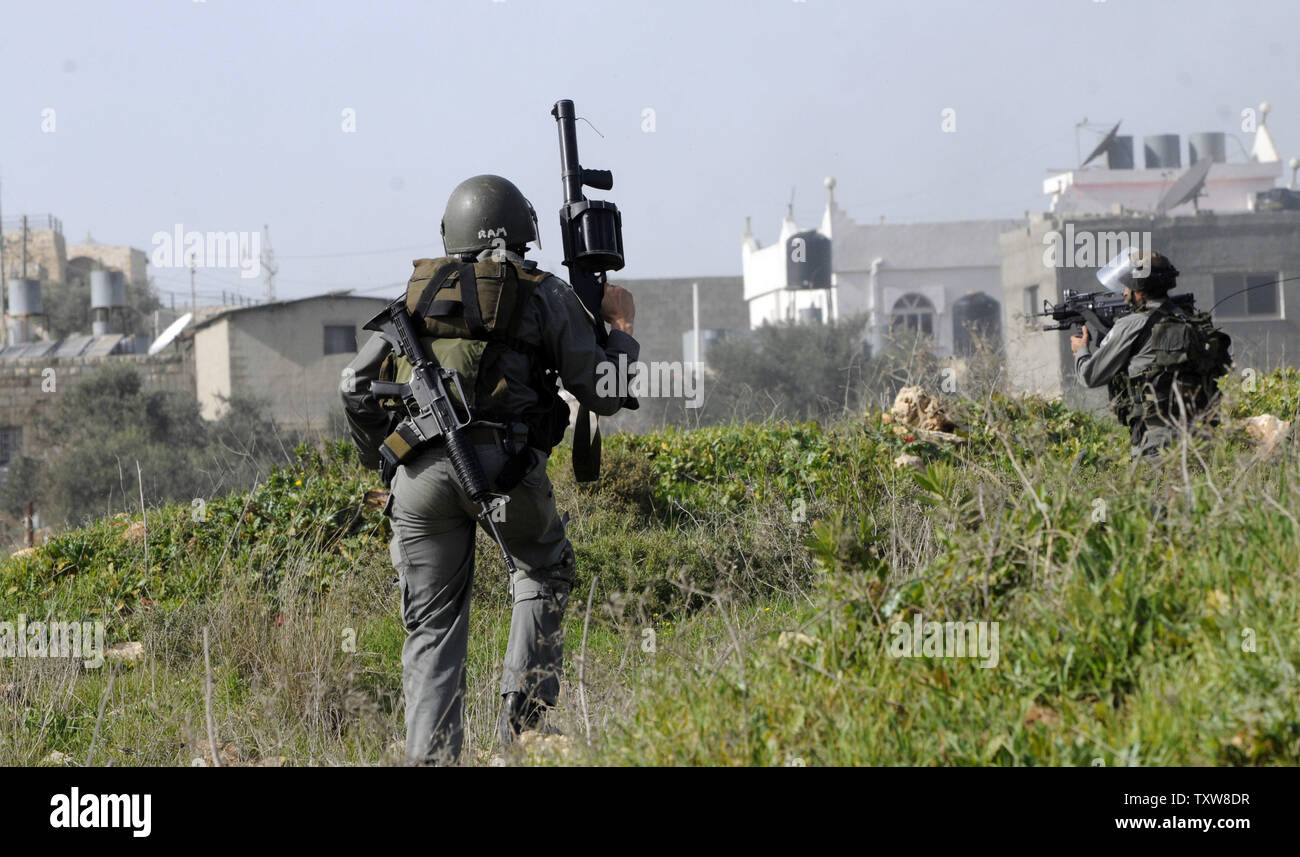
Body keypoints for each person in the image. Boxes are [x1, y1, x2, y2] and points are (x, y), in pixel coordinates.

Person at [340, 174, 638, 763]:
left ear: (452, 232)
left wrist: (389, 465)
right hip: (505, 471)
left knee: (432, 628)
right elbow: (606, 391)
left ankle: (431, 759)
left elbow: (353, 389)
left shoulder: (415, 298)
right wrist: (621, 330)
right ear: (524, 232)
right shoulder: (543, 292)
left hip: (420, 481)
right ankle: (523, 727)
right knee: (542, 569)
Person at [1071, 249, 1230, 457]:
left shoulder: (1132, 324)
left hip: (1157, 444)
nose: (1124, 293)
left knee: (1157, 490)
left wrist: (1081, 350)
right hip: (1201, 441)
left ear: (1140, 291)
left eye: (1127, 286)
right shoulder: (1189, 319)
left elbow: (1089, 376)